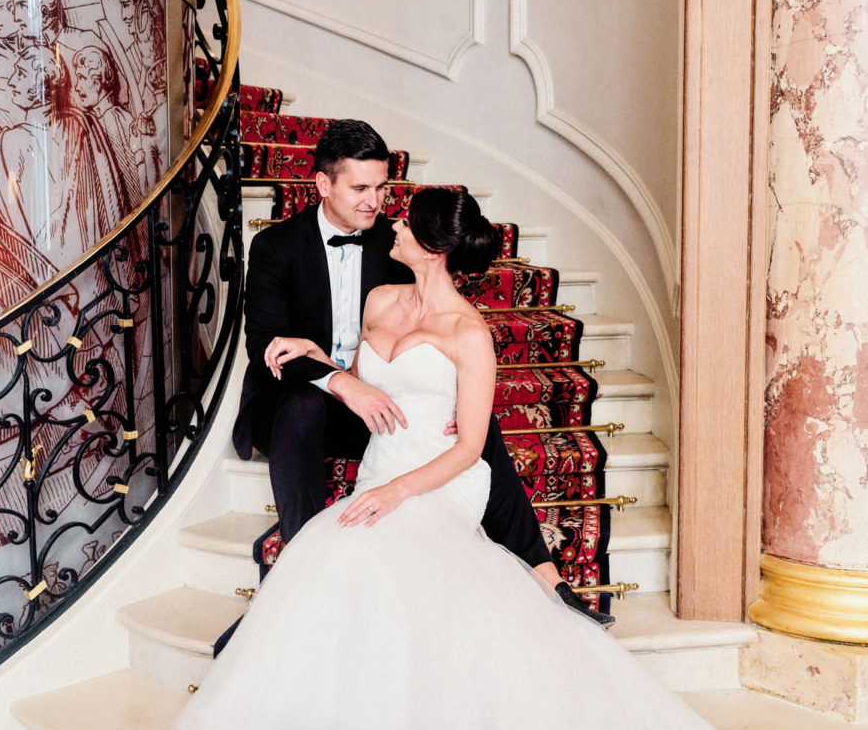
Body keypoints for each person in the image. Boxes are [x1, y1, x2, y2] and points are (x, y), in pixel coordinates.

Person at [177, 188, 763, 730]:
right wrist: (315, 362)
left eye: (402, 217)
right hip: (381, 467)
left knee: (403, 552)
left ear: (431, 245)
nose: (387, 217)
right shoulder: (382, 297)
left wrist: (397, 491)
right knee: (341, 550)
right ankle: (372, 725)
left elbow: (468, 446)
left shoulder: (470, 332)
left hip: (437, 478)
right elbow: (362, 381)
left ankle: (457, 721)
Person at [234, 118, 610, 625]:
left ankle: (544, 570)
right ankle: (304, 563)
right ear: (323, 184)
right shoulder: (275, 247)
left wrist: (443, 401)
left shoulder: (389, 244)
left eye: (382, 188)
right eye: (360, 188)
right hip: (302, 398)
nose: (376, 203)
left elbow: (427, 319)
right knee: (302, 407)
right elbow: (265, 345)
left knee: (477, 426)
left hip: (376, 401)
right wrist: (339, 378)